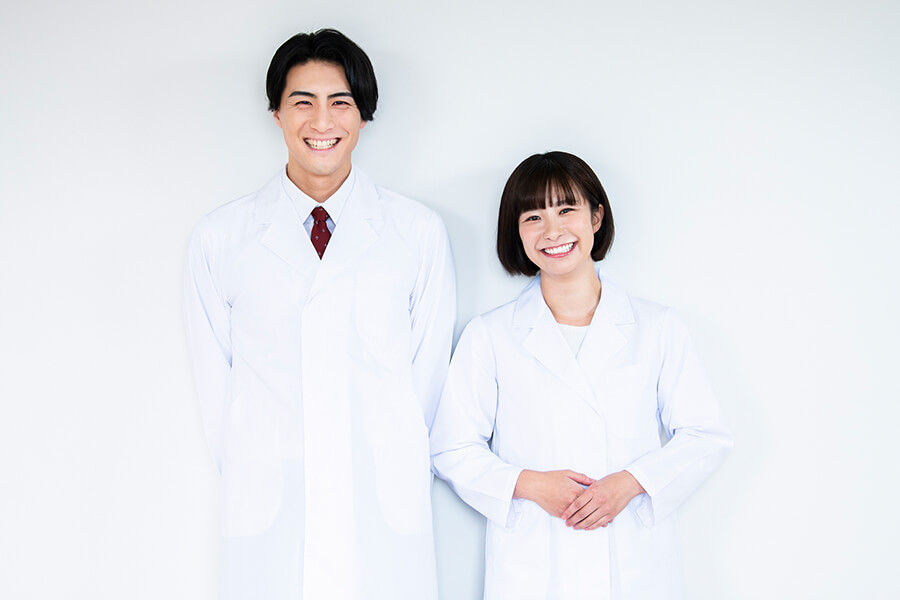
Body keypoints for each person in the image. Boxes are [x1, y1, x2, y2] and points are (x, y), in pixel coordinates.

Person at [184, 29, 455, 600]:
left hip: (381, 501)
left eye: (340, 102)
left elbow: (427, 380)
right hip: (269, 503)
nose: (321, 121)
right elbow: (216, 391)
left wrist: (397, 464)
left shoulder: (417, 233)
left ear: (364, 115)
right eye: (303, 102)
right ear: (277, 113)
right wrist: (257, 469)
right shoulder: (220, 238)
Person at [430, 151, 732, 599]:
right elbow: (450, 449)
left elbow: (705, 436)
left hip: (632, 562)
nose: (552, 231)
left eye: (566, 210)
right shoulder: (490, 336)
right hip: (535, 565)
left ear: (596, 217)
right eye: (533, 217)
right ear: (516, 231)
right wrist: (532, 486)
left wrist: (629, 484)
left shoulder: (657, 328)